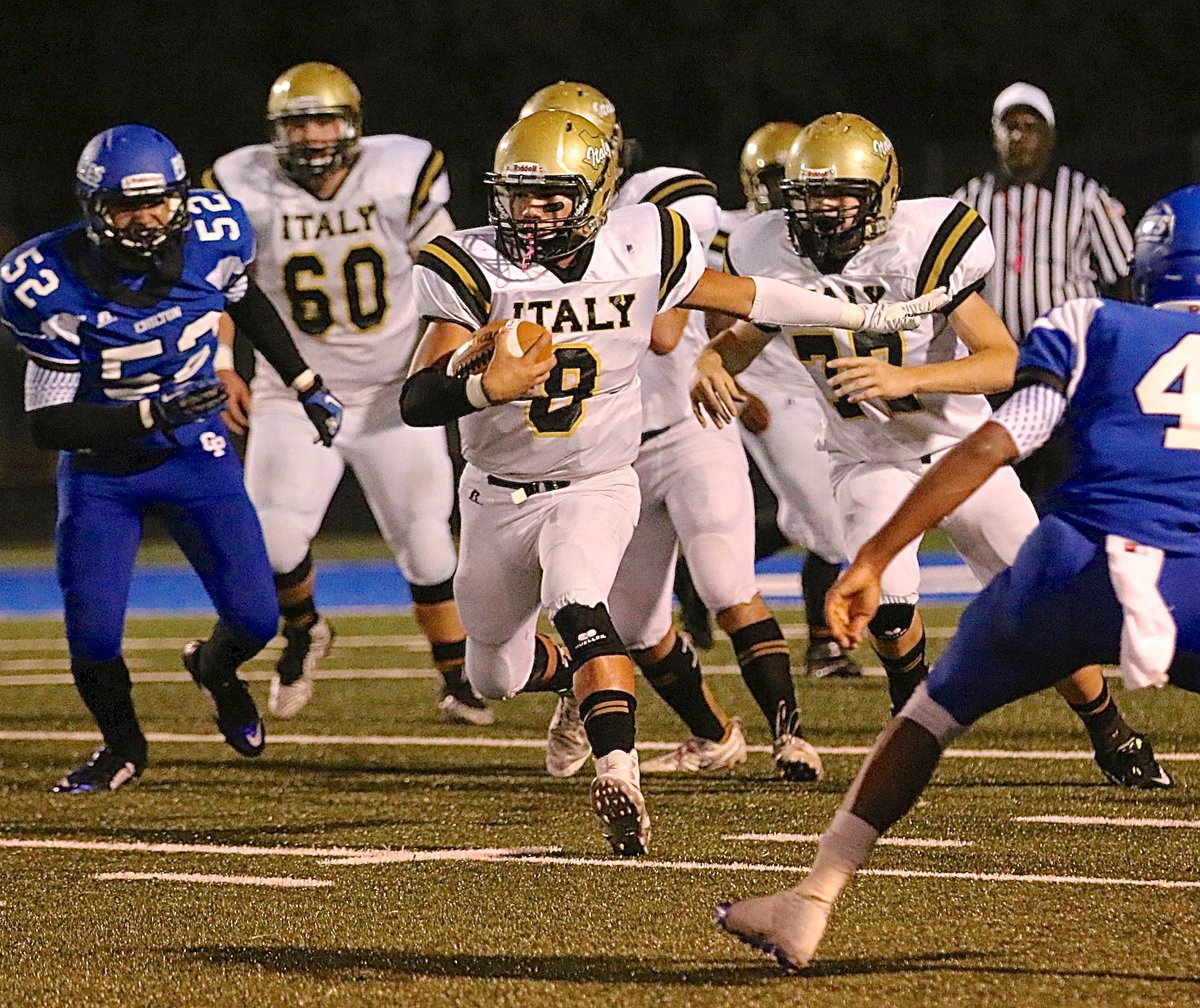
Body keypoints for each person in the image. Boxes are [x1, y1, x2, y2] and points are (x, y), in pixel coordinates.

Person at [400, 108, 945, 853]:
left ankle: (619, 770)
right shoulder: (471, 264)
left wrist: (864, 308)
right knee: (492, 673)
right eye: (517, 196)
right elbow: (415, 398)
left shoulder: (639, 241)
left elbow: (754, 297)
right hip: (495, 491)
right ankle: (565, 681)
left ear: (596, 198)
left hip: (596, 479)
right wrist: (484, 388)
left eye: (551, 199)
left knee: (579, 597)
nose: (529, 215)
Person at [713, 184, 1200, 972]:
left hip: (1076, 561)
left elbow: (1001, 437)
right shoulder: (782, 256)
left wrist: (868, 558)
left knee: (929, 717)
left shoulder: (1091, 322)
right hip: (1188, 570)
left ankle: (811, 902)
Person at [692, 113, 1166, 786]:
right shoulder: (772, 249)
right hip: (864, 456)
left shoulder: (922, 243)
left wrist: (907, 376)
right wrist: (712, 359)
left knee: (1042, 603)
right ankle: (911, 715)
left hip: (958, 449)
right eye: (809, 196)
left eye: (840, 196)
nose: (822, 212)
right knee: (886, 600)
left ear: (880, 194)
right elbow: (747, 334)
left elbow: (1004, 361)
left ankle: (1109, 728)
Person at [0, 124, 343, 792]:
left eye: (158, 200)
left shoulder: (216, 232)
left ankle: (214, 667)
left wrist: (306, 383)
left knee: (255, 619)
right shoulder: (49, 280)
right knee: (93, 640)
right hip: (103, 473)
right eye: (127, 206)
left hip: (194, 455)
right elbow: (47, 424)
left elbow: (248, 301)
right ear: (92, 208)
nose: (146, 217)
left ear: (181, 195)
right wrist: (149, 414)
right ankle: (122, 746)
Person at [514, 85, 824, 782]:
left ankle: (793, 740)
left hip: (688, 429)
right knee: (635, 625)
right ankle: (715, 736)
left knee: (725, 583)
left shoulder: (665, 198)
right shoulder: (538, 229)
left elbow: (662, 332)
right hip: (610, 451)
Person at [203, 62, 490, 725]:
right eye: (297, 122)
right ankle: (305, 631)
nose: (311, 135)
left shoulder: (399, 174)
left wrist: (460, 346)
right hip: (296, 393)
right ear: (276, 131)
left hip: (393, 392)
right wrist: (221, 361)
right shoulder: (242, 186)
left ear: (353, 123)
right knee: (271, 541)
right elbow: (223, 284)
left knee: (427, 544)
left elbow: (448, 271)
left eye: (323, 119)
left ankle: (456, 675)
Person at [716, 121, 859, 679]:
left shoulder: (826, 233)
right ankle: (825, 643)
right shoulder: (741, 237)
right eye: (775, 178)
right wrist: (741, 389)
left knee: (810, 520)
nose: (784, 191)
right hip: (774, 393)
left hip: (823, 389)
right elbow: (715, 326)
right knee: (831, 526)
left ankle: (702, 578)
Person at [953, 82, 1134, 508]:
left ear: (1048, 135)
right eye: (1009, 126)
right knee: (1001, 492)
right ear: (994, 133)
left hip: (1067, 365)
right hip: (996, 367)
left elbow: (1121, 279)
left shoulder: (1085, 197)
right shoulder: (969, 200)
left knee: (1064, 479)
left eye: (1030, 126)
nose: (1019, 136)